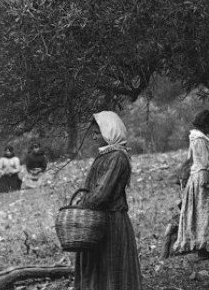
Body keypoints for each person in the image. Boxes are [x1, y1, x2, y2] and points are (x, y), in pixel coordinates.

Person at [74, 111, 141, 289]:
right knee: (99, 268)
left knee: (111, 269)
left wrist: (83, 207)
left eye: (97, 133)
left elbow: (102, 193)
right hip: (98, 220)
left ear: (109, 132)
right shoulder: (106, 155)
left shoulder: (117, 157)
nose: (94, 137)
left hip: (111, 222)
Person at [172, 109, 209, 259]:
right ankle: (202, 248)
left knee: (201, 211)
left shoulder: (198, 138)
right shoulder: (199, 139)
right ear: (205, 124)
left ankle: (203, 248)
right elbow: (207, 161)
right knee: (204, 210)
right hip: (203, 177)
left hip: (199, 176)